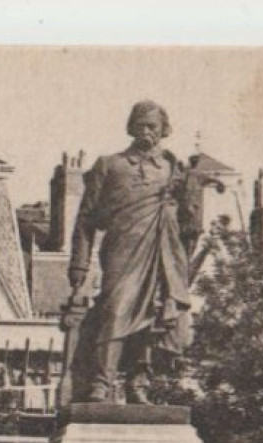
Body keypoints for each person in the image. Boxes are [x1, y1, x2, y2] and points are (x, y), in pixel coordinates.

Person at [65, 100, 206, 404]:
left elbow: (188, 221)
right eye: (140, 124)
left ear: (163, 130)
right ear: (130, 127)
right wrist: (78, 267)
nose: (146, 131)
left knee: (153, 315)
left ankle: (138, 383)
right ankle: (102, 382)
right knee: (116, 309)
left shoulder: (173, 169)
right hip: (122, 249)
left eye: (152, 126)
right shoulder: (109, 165)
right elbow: (85, 221)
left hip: (162, 252)